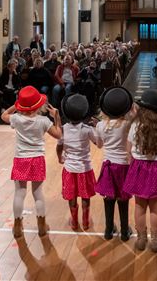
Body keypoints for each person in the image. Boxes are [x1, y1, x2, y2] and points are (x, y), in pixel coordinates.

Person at [1, 87, 62, 238]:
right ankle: (41, 226)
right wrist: (57, 117)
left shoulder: (17, 119)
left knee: (19, 193)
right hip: (37, 159)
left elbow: (4, 115)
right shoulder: (43, 121)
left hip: (21, 159)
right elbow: (58, 134)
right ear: (38, 105)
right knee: (38, 193)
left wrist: (17, 104)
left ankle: (17, 226)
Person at [123, 89, 157, 252]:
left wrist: (130, 157)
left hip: (138, 167)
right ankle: (155, 240)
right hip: (156, 168)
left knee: (139, 205)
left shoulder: (135, 125)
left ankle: (141, 238)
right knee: (156, 206)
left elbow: (128, 147)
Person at [95, 87, 134, 241]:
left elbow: (98, 145)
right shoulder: (127, 125)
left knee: (108, 198)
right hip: (124, 165)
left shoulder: (100, 125)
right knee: (123, 199)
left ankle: (108, 230)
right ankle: (125, 232)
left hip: (108, 165)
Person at [57, 94, 98, 231]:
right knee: (85, 195)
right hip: (85, 168)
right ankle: (85, 221)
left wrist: (59, 157)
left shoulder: (63, 129)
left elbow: (59, 146)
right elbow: (98, 142)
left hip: (69, 168)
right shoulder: (87, 129)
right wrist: (96, 127)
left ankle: (74, 222)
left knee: (72, 195)